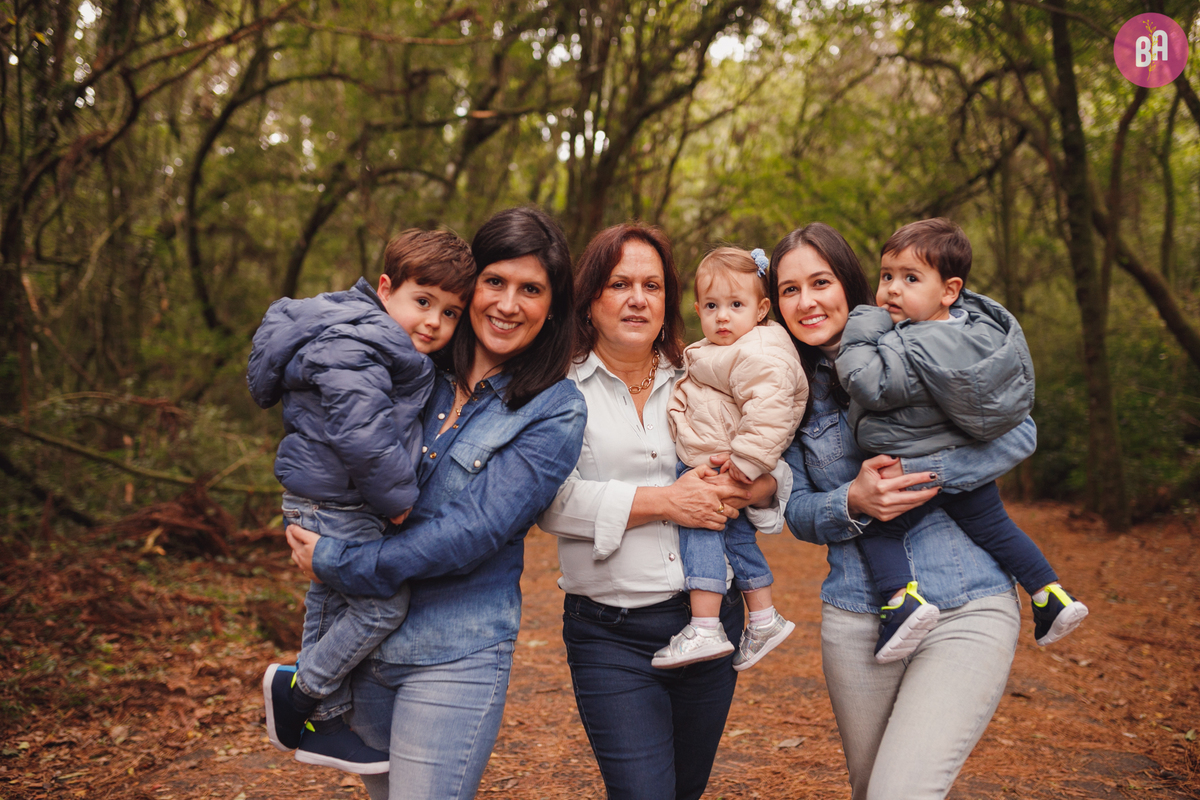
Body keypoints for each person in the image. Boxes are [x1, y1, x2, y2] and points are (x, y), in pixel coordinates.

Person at [283, 206, 587, 800]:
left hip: (456, 650)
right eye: (495, 282)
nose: (507, 303)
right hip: (363, 647)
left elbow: (471, 532)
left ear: (552, 308)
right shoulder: (409, 363)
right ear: (471, 288)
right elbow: (325, 429)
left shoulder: (555, 410)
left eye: (531, 290)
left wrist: (340, 562)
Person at [770, 221, 1039, 800]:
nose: (807, 301)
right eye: (789, 290)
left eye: (820, 281)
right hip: (858, 617)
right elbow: (792, 510)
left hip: (966, 605)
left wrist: (928, 475)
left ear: (849, 283)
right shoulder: (784, 387)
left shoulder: (923, 342)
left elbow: (1020, 434)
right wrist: (852, 501)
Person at [537, 223, 788, 800]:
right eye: (620, 283)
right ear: (590, 298)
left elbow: (776, 461)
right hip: (611, 633)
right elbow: (549, 500)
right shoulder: (557, 388)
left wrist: (758, 487)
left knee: (685, 790)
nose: (637, 298)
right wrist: (665, 502)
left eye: (652, 284)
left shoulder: (705, 368)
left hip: (711, 625)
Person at [248, 230, 474, 773]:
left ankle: (321, 721)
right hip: (337, 502)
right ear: (385, 287)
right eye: (423, 302)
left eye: (449, 314)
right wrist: (398, 500)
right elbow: (361, 431)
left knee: (328, 602)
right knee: (381, 606)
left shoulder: (366, 334)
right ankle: (299, 694)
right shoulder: (360, 341)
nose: (433, 323)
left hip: (327, 497)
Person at [836, 218, 1087, 663]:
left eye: (911, 279)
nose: (893, 289)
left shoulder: (913, 342)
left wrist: (859, 331)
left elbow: (869, 384)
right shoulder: (973, 333)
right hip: (965, 461)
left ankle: (900, 603)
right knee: (996, 527)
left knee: (879, 526)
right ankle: (1050, 594)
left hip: (910, 462)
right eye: (887, 276)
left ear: (949, 290)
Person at [655, 246, 806, 670]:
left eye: (735, 305)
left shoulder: (758, 351)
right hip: (721, 455)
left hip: (723, 461)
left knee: (699, 525)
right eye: (711, 306)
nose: (722, 317)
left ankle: (705, 626)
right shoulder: (733, 347)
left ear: (761, 310)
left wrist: (748, 458)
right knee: (736, 539)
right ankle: (763, 616)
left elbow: (772, 406)